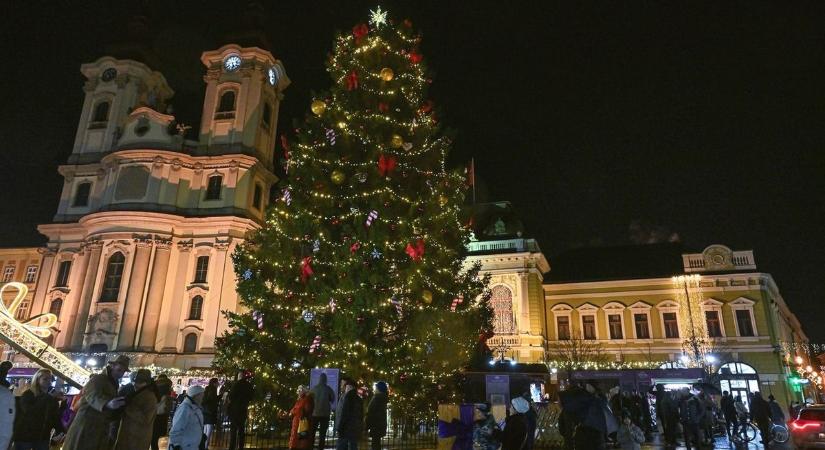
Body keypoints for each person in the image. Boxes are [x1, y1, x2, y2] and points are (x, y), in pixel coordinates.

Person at [63, 355, 129, 450]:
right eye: (119, 370)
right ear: (112, 366)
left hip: (99, 426)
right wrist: (107, 403)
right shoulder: (98, 379)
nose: (121, 373)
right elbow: (92, 395)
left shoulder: (113, 382)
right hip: (86, 424)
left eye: (123, 371)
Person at [13, 368, 63, 450]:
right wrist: (48, 398)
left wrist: (60, 429)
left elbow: (54, 416)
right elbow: (29, 411)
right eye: (45, 379)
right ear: (37, 380)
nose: (49, 381)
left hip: (42, 436)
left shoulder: (51, 397)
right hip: (25, 436)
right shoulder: (28, 394)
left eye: (50, 379)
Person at [114, 369, 158, 450]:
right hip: (129, 437)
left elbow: (146, 419)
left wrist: (128, 407)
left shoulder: (149, 397)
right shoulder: (136, 393)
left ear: (146, 383)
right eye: (135, 381)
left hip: (137, 439)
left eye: (139, 382)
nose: (135, 384)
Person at [168, 385, 205, 450]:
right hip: (184, 446)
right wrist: (176, 445)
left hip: (192, 445)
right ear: (196, 396)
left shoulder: (194, 407)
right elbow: (176, 428)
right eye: (201, 395)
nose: (203, 398)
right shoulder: (185, 408)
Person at [227, 370, 255, 450]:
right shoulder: (249, 385)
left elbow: (231, 396)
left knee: (233, 431)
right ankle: (241, 447)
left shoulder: (236, 384)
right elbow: (251, 397)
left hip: (234, 409)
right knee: (241, 430)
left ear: (239, 376)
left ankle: (232, 447)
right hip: (243, 409)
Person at [334, 378, 363, 450]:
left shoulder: (348, 397)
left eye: (344, 385)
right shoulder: (357, 398)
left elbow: (344, 413)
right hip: (353, 428)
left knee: (342, 446)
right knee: (352, 446)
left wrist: (340, 427)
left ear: (349, 387)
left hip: (345, 428)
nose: (342, 386)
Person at [309, 373, 336, 450]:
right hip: (325, 414)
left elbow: (309, 399)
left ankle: (310, 447)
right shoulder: (328, 389)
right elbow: (332, 399)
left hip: (315, 413)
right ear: (325, 380)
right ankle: (320, 448)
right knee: (322, 434)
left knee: (312, 433)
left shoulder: (314, 389)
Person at [288, 386, 315, 450]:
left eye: (300, 390)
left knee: (301, 441)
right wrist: (291, 412)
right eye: (298, 391)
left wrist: (294, 412)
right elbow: (295, 409)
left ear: (304, 391)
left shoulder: (306, 399)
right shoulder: (300, 399)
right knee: (296, 441)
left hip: (301, 423)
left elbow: (307, 410)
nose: (298, 392)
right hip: (297, 423)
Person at [365, 382, 388, 450]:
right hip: (378, 424)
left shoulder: (377, 398)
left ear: (379, 389)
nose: (375, 389)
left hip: (376, 425)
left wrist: (367, 424)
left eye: (376, 387)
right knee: (376, 443)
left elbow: (372, 412)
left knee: (375, 444)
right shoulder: (381, 398)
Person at [153, 374, 174, 450]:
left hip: (153, 414)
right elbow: (169, 406)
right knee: (158, 436)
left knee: (153, 436)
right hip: (163, 415)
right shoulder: (167, 389)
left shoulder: (153, 387)